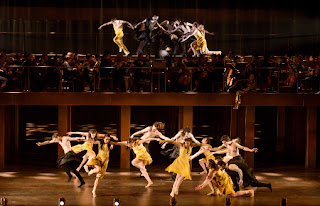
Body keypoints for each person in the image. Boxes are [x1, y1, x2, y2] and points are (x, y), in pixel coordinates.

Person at [159, 138, 204, 202]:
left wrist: (207, 144)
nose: (187, 144)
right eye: (186, 143)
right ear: (184, 142)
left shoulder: (191, 145)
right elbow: (173, 142)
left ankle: (173, 191)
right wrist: (165, 141)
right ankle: (174, 190)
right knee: (179, 177)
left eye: (188, 143)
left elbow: (199, 144)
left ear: (190, 143)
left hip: (185, 163)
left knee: (180, 177)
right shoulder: (181, 145)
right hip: (180, 162)